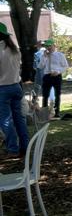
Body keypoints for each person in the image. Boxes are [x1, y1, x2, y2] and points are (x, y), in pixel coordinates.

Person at [0, 22, 29, 160]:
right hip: (16, 87)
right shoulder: (14, 49)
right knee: (19, 120)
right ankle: (25, 148)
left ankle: (13, 149)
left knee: (5, 120)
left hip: (3, 88)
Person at [38, 39, 68, 119]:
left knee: (57, 95)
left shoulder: (60, 55)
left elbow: (65, 66)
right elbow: (40, 66)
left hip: (56, 76)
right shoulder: (43, 55)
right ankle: (44, 113)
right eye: (47, 46)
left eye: (50, 46)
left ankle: (57, 112)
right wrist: (44, 57)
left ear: (54, 46)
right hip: (47, 76)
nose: (48, 48)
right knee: (45, 95)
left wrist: (58, 72)